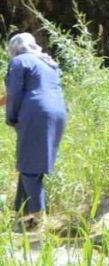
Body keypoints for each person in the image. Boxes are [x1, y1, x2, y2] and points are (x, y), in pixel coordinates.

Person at [4, 33, 66, 229]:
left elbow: (13, 93)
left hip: (35, 113)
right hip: (57, 113)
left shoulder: (20, 61)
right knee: (29, 164)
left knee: (30, 168)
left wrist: (11, 118)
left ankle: (37, 220)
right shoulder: (47, 62)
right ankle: (21, 215)